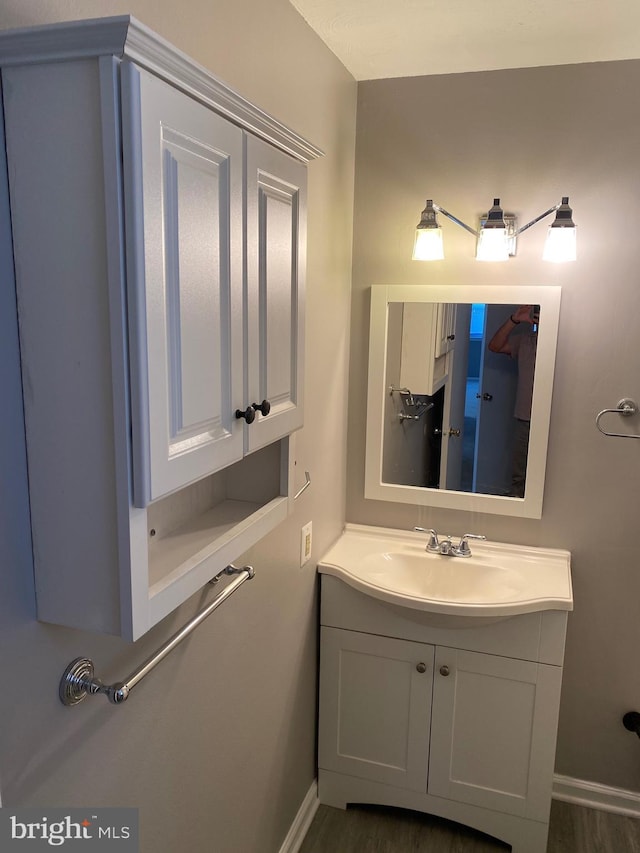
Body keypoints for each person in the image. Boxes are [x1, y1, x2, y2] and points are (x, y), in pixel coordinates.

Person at [487, 305, 539, 498]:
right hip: (525, 417)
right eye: (537, 314)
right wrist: (514, 319)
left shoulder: (563, 344)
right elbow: (495, 346)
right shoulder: (525, 341)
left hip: (554, 420)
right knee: (519, 475)